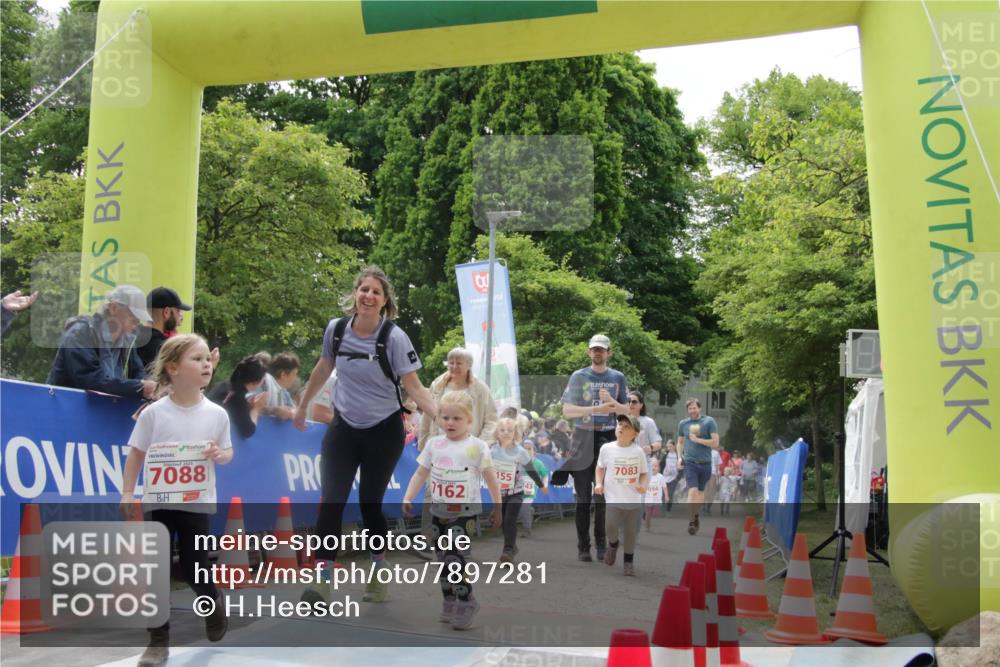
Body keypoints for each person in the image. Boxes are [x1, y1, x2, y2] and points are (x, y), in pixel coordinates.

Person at [294, 266, 437, 604]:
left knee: (369, 503)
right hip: (343, 428)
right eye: (364, 290)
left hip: (383, 429)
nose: (369, 296)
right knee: (331, 502)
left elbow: (413, 386)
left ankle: (378, 569)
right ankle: (322, 577)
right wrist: (302, 405)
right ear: (355, 295)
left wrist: (442, 420)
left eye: (376, 292)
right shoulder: (337, 330)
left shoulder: (395, 337)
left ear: (385, 301)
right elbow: (322, 368)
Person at [118, 334, 233, 667]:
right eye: (196, 359)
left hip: (196, 503)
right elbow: (136, 454)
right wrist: (128, 492)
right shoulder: (154, 414)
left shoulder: (216, 414)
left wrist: (219, 453)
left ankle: (212, 601)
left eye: (207, 359)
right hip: (158, 501)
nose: (206, 364)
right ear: (173, 368)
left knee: (195, 568)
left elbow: (228, 453)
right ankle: (157, 641)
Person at [402, 392, 501, 630]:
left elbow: (491, 478)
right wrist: (408, 496)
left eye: (457, 418)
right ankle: (449, 600)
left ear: (469, 420)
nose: (450, 423)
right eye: (445, 417)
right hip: (438, 512)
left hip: (465, 513)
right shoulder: (434, 444)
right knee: (442, 560)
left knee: (455, 559)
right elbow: (420, 473)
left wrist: (498, 506)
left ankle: (467, 601)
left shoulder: (477, 447)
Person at [553, 334, 629, 562]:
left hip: (607, 439)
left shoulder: (617, 377)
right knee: (583, 498)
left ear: (609, 353)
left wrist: (612, 404)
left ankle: (602, 546)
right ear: (589, 352)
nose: (598, 353)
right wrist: (594, 410)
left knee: (603, 498)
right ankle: (583, 547)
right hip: (583, 437)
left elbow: (627, 411)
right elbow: (567, 411)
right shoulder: (579, 376)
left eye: (602, 350)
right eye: (594, 349)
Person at [47, 284, 157, 399]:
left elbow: (138, 374)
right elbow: (90, 380)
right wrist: (139, 388)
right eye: (133, 315)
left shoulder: (127, 342)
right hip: (64, 410)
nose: (137, 322)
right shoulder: (80, 333)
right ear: (113, 308)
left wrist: (152, 386)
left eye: (139, 318)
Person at [594, 414, 648, 576]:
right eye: (620, 424)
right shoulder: (607, 448)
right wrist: (598, 483)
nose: (621, 428)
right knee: (610, 526)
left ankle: (628, 563)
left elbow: (644, 474)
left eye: (627, 427)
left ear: (635, 434)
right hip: (613, 498)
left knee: (630, 533)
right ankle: (613, 543)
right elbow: (600, 467)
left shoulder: (638, 452)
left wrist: (642, 486)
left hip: (633, 500)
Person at [490, 416, 546, 563]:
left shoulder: (520, 451)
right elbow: (485, 469)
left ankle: (507, 550)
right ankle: (512, 545)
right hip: (499, 494)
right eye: (502, 430)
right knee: (502, 521)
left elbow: (531, 469)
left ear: (515, 433)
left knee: (510, 519)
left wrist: (540, 485)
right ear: (497, 433)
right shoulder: (492, 451)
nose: (506, 433)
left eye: (510, 430)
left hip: (516, 492)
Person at [418, 347, 497, 449]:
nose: (454, 366)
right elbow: (427, 416)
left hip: (469, 448)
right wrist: (423, 444)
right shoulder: (437, 385)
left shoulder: (480, 389)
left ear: (469, 365)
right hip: (438, 446)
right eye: (451, 363)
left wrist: (481, 444)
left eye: (459, 363)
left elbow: (491, 419)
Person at [677, 398, 720, 535]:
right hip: (690, 462)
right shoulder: (683, 424)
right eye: (690, 408)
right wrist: (679, 457)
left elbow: (715, 443)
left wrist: (698, 440)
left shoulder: (709, 421)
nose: (692, 411)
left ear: (699, 408)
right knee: (692, 491)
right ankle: (691, 521)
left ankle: (696, 516)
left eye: (694, 408)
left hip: (706, 463)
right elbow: (680, 442)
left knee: (701, 492)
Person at [207, 356, 268, 439]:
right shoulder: (237, 396)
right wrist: (256, 409)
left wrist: (248, 406)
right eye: (263, 380)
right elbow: (248, 431)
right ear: (256, 382)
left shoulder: (224, 385)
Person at [136, 287, 192, 368]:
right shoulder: (163, 347)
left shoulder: (135, 337)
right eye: (178, 311)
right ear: (166, 312)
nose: (180, 315)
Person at [519, 440, 550, 537]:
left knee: (524, 508)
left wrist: (544, 486)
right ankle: (530, 510)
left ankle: (526, 530)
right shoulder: (517, 461)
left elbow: (545, 475)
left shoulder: (538, 463)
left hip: (530, 490)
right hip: (517, 489)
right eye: (524, 448)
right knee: (518, 509)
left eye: (529, 449)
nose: (527, 450)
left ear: (534, 451)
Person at [644, 457, 668, 531]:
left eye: (655, 466)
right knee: (648, 515)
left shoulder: (661, 477)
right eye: (652, 466)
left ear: (658, 468)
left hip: (657, 500)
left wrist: (666, 496)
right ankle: (647, 525)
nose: (653, 467)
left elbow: (664, 487)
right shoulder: (646, 476)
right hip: (648, 499)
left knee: (655, 513)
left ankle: (652, 514)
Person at [663, 440, 680, 512]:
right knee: (664, 493)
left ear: (674, 446)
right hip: (665, 477)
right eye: (668, 447)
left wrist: (678, 477)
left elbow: (682, 466)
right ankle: (665, 506)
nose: (669, 448)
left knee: (670, 493)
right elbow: (661, 464)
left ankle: (668, 509)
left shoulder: (678, 455)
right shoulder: (665, 455)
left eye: (670, 446)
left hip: (674, 478)